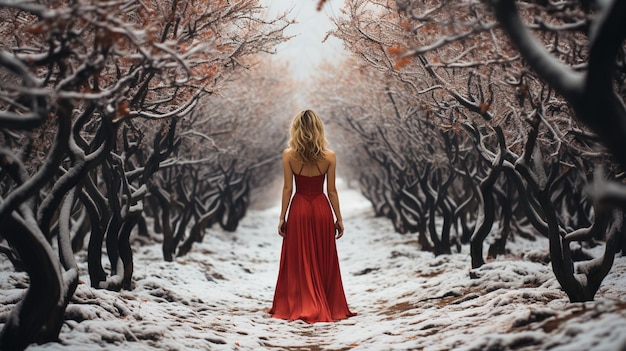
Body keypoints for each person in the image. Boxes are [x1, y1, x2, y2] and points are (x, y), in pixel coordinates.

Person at [267, 109, 356, 323]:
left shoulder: (289, 155)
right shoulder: (329, 156)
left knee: (299, 258)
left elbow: (288, 188)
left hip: (298, 208)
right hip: (321, 208)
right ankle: (326, 303)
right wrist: (339, 218)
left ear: (296, 129)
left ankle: (300, 302)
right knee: (322, 257)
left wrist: (282, 217)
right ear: (318, 130)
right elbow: (331, 191)